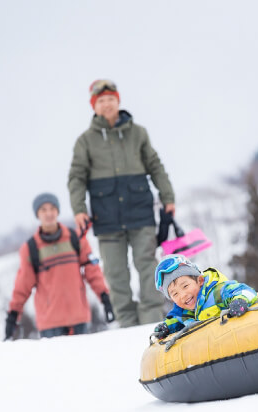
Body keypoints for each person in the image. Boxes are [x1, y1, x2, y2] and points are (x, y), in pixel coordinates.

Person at [69, 79, 175, 327]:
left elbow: (155, 166)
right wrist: (79, 210)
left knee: (148, 267)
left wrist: (168, 197)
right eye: (101, 101)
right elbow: (76, 177)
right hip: (106, 219)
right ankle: (127, 327)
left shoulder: (138, 133)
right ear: (94, 106)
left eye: (111, 99)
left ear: (118, 101)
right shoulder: (85, 141)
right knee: (116, 274)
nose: (107, 104)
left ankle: (153, 321)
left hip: (141, 213)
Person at [7, 193, 113, 339]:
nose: (49, 213)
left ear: (58, 211)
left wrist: (105, 298)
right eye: (43, 210)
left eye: (52, 208)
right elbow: (22, 286)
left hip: (79, 319)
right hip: (50, 324)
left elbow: (92, 271)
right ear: (37, 214)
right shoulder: (30, 248)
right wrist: (13, 315)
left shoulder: (75, 238)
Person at [151, 255, 258, 340]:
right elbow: (175, 322)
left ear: (200, 281)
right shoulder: (182, 313)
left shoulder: (217, 293)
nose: (182, 295)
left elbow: (244, 290)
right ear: (171, 299)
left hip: (236, 337)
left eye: (185, 286)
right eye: (175, 294)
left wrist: (240, 300)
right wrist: (165, 328)